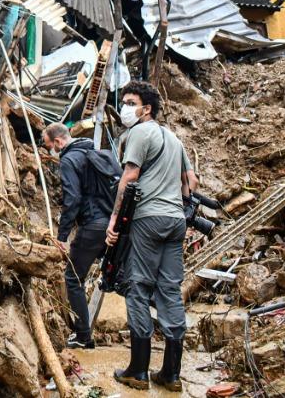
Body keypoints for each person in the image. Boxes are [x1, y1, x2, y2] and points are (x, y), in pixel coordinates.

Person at [105, 80, 198, 392]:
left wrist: (114, 220)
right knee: (170, 290)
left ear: (146, 109)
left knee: (138, 288)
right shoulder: (174, 139)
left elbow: (129, 177)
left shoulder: (139, 133)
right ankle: (171, 374)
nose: (126, 108)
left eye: (131, 103)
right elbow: (190, 184)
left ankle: (138, 370)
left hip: (148, 218)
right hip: (175, 221)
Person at [43, 122, 121, 349]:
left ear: (58, 142)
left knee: (73, 278)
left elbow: (73, 199)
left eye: (49, 146)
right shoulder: (93, 152)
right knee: (121, 277)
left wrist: (62, 235)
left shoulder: (68, 160)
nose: (51, 151)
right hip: (112, 226)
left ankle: (83, 336)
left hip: (93, 227)